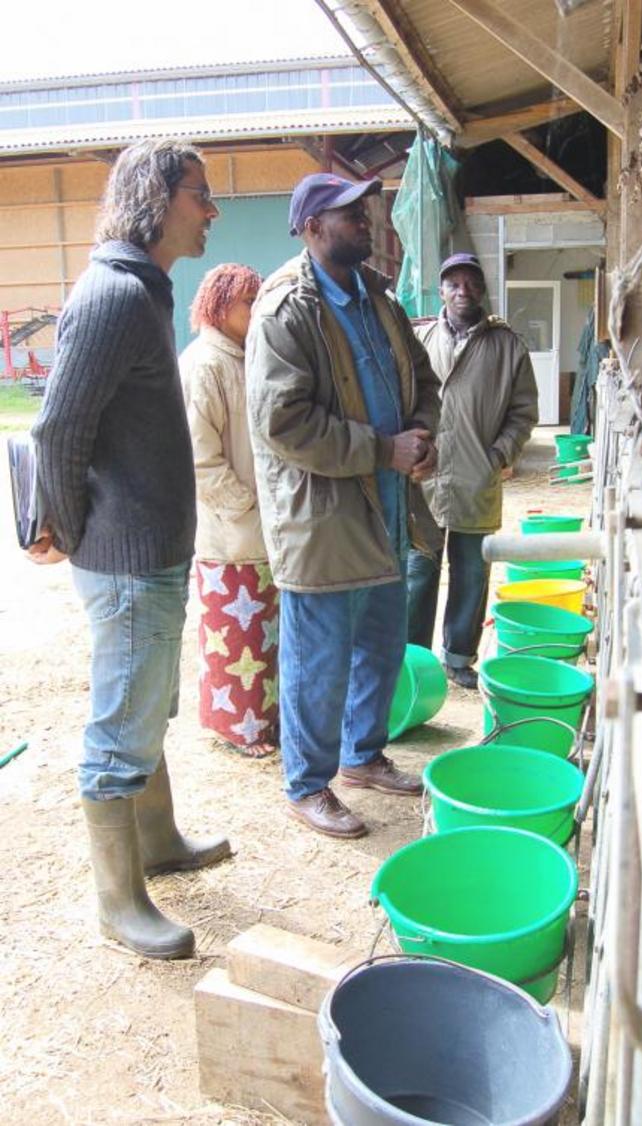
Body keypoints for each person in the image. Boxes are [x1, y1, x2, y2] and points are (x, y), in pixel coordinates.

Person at [28, 140, 230, 960]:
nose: (211, 209)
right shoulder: (114, 295)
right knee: (121, 726)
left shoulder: (141, 291)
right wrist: (65, 529)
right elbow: (58, 426)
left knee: (148, 706)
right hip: (126, 559)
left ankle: (158, 843)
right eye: (200, 193)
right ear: (154, 199)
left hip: (150, 553)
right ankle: (120, 903)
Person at [247, 172, 441, 840]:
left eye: (366, 211)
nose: (367, 222)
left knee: (383, 644)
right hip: (324, 517)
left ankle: (361, 755)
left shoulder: (376, 298)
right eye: (349, 214)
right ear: (309, 228)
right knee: (318, 658)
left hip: (387, 503)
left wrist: (420, 437)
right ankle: (306, 783)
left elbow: (421, 377)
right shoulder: (285, 310)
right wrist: (380, 449)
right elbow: (285, 423)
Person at [408, 252, 539, 689]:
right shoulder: (420, 340)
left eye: (470, 283)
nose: (462, 291)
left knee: (471, 571)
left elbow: (523, 412)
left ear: (482, 289)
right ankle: (412, 659)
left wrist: (497, 456)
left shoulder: (507, 346)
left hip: (476, 478)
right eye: (453, 283)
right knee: (418, 572)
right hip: (424, 480)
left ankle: (459, 656)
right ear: (441, 290)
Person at [179, 263, 278, 758]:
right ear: (220, 306)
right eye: (248, 302)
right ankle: (238, 727)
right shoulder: (206, 363)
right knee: (234, 637)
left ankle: (259, 719)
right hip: (229, 533)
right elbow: (199, 457)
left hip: (259, 528)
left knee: (262, 635)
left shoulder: (243, 357)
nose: (256, 309)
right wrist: (246, 506)